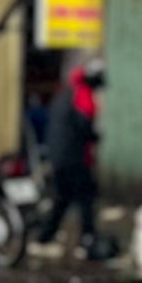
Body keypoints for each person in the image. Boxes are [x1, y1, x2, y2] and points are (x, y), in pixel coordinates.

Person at [36, 65, 101, 257]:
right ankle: (88, 238)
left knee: (63, 198)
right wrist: (94, 137)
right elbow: (83, 125)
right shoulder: (83, 94)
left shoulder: (64, 96)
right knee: (86, 197)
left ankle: (45, 236)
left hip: (60, 157)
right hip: (74, 158)